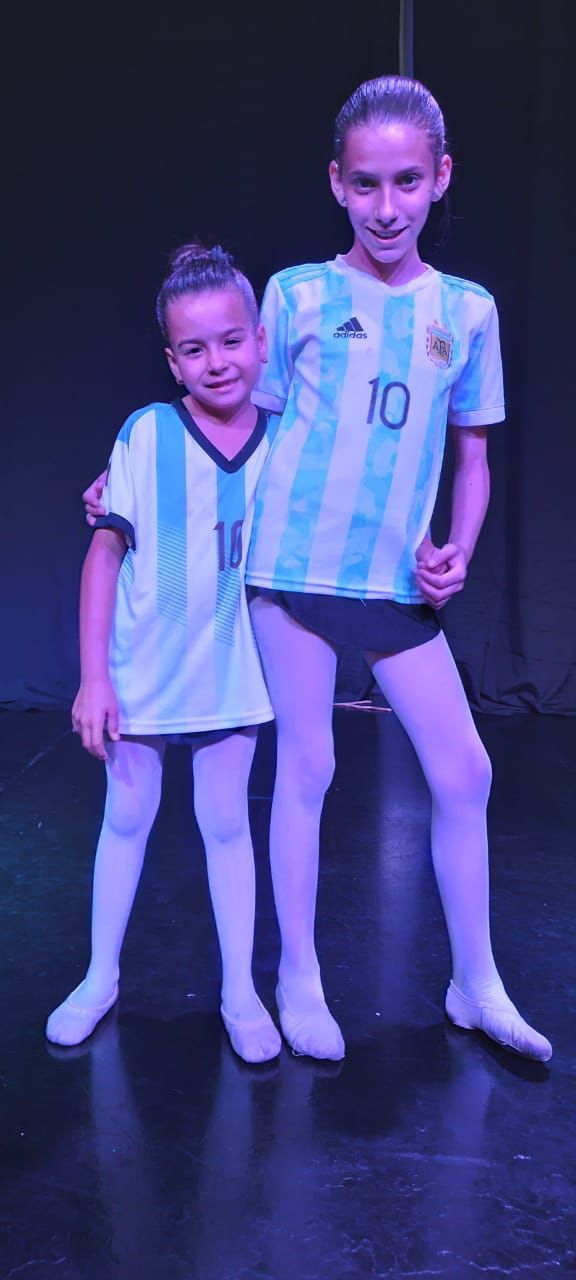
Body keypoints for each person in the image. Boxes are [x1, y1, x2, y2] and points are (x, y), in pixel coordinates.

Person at [84, 77, 552, 1064]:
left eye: (408, 181)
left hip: (392, 583)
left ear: (441, 177)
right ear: (338, 182)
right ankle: (299, 978)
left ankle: (476, 983)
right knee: (308, 766)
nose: (387, 206)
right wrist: (127, 475)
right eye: (367, 183)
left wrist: (459, 548)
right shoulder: (296, 293)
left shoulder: (467, 312)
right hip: (292, 572)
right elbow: (234, 415)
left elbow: (471, 455)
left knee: (465, 771)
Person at [47, 244, 283, 1064]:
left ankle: (240, 992)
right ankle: (99, 977)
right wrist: (94, 678)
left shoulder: (288, 438)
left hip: (231, 670)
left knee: (226, 823)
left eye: (231, 340)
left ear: (260, 340)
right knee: (126, 817)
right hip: (143, 669)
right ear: (172, 360)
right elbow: (105, 552)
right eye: (194, 348)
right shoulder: (147, 433)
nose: (216, 361)